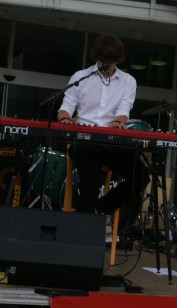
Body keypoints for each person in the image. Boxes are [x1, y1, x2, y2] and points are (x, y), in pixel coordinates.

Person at [57, 34, 147, 218]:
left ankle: (103, 207)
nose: (106, 66)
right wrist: (65, 119)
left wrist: (118, 123)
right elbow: (65, 108)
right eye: (102, 61)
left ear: (117, 59)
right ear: (96, 57)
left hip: (112, 142)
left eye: (110, 61)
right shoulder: (81, 77)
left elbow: (124, 111)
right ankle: (83, 233)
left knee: (141, 175)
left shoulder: (128, 81)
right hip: (85, 142)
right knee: (89, 184)